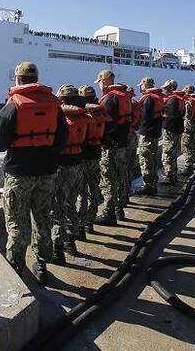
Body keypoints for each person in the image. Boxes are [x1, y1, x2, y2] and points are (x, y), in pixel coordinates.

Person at [0, 61, 68, 284]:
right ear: (36, 79)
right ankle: (41, 265)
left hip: (19, 174)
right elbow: (63, 139)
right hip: (47, 174)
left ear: (17, 79)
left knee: (16, 223)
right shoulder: (55, 106)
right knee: (42, 218)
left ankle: (16, 267)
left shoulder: (13, 106)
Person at [51, 85, 89, 262]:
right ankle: (71, 242)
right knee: (71, 204)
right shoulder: (84, 115)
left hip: (60, 167)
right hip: (77, 165)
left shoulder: (58, 116)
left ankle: (57, 250)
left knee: (57, 209)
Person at [94, 69, 131, 225]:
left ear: (105, 81)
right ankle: (119, 209)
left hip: (110, 146)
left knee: (108, 179)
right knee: (120, 176)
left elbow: (105, 124)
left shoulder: (109, 99)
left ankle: (109, 213)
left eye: (100, 82)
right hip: (122, 143)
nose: (100, 86)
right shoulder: (124, 97)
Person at [77, 85, 111, 234]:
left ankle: (81, 225)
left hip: (82, 157)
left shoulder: (81, 113)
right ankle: (90, 222)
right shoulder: (100, 111)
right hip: (96, 154)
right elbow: (105, 135)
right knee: (94, 189)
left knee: (82, 193)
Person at [135, 77, 164, 196]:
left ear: (145, 85)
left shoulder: (148, 99)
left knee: (145, 159)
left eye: (141, 85)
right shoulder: (159, 97)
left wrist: (138, 126)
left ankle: (148, 186)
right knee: (152, 158)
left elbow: (145, 117)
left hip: (147, 133)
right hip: (156, 132)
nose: (141, 87)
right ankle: (153, 182)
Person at [161, 80, 185, 185]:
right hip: (178, 128)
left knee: (167, 153)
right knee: (173, 152)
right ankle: (173, 174)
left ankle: (169, 176)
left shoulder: (172, 100)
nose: (165, 90)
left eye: (166, 88)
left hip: (170, 129)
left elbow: (168, 115)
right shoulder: (181, 99)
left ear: (171, 88)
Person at [180, 85, 195, 176]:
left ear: (187, 91)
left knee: (186, 145)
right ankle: (192, 163)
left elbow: (187, 115)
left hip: (188, 125)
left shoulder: (189, 101)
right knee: (193, 145)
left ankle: (188, 166)